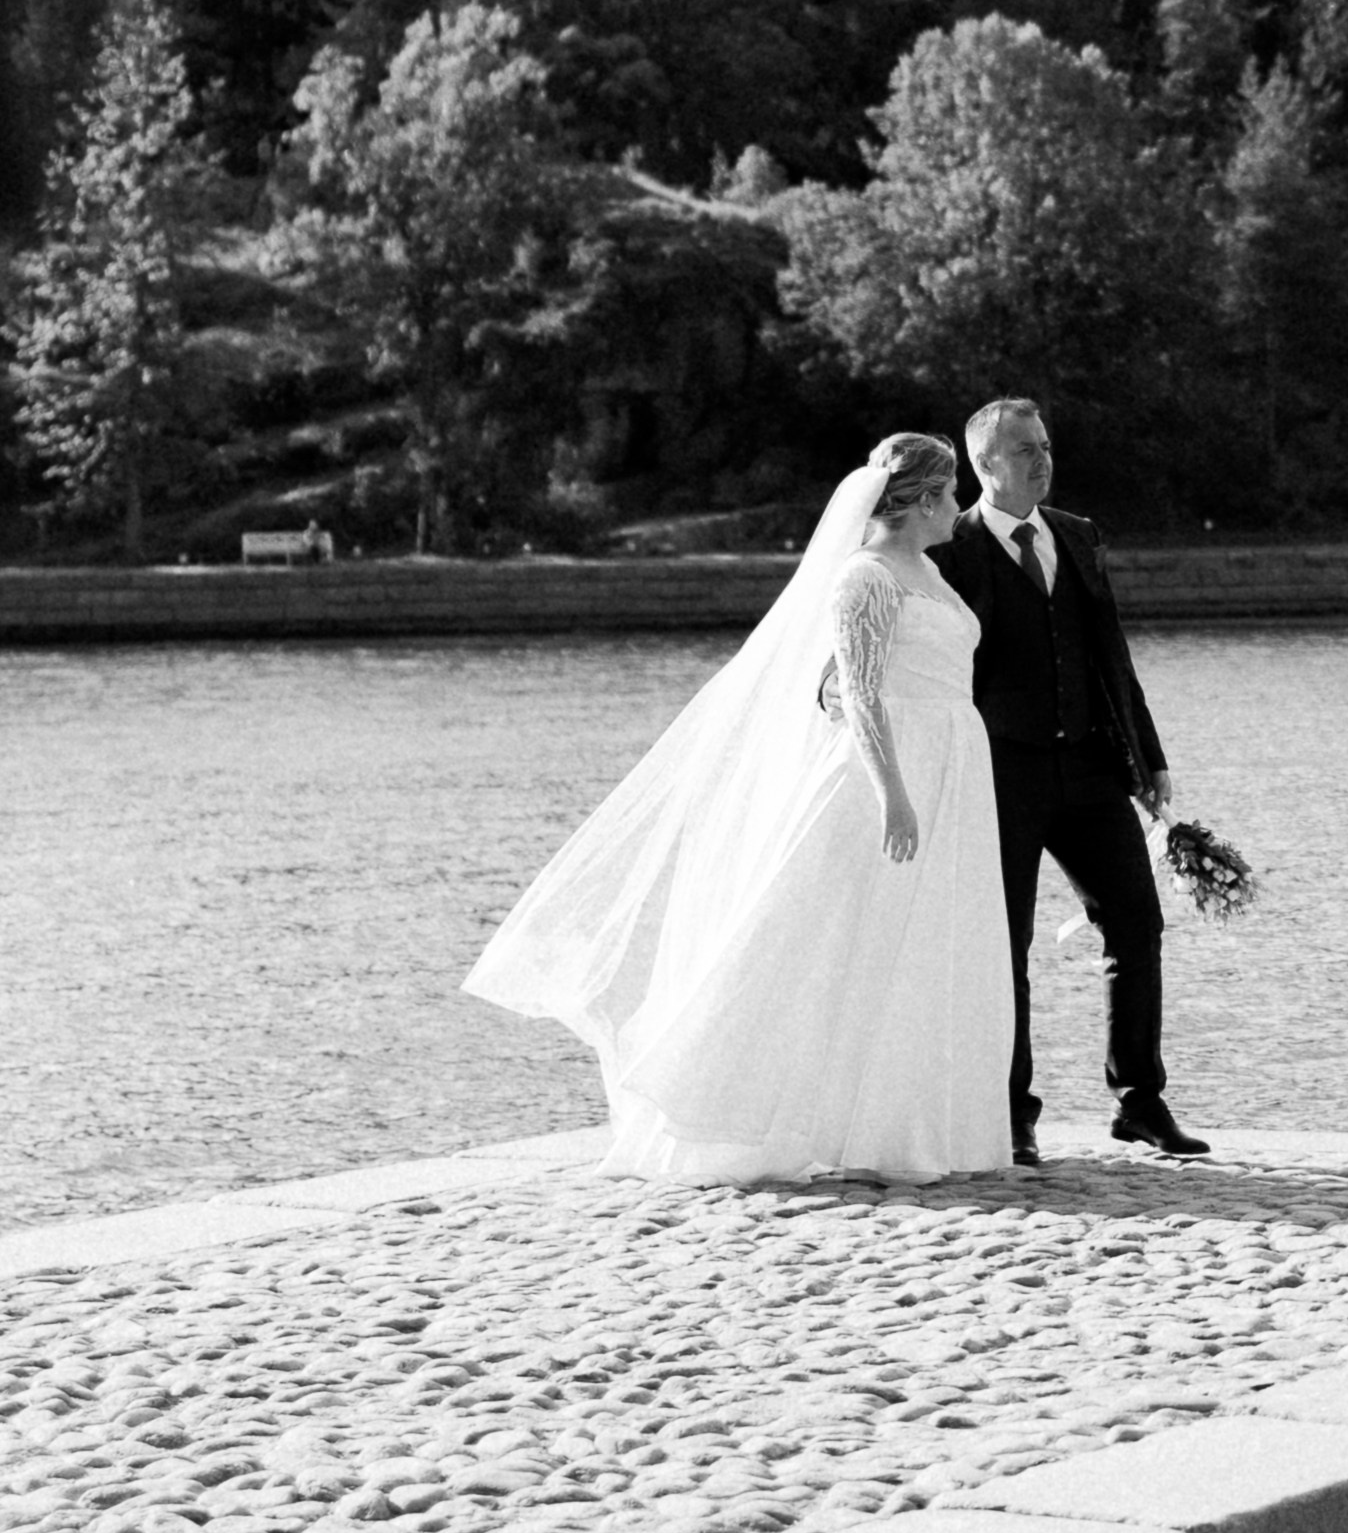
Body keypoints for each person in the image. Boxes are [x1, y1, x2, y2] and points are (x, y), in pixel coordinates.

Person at [462, 433, 1011, 1182]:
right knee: (822, 941)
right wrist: (893, 794)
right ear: (918, 502)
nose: (959, 507)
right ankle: (720, 1098)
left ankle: (896, 1128)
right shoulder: (866, 577)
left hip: (953, 763)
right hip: (888, 777)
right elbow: (857, 691)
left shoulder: (926, 571)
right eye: (949, 495)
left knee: (920, 948)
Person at [938, 396, 1207, 1166]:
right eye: (1024, 450)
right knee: (1005, 945)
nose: (1042, 460)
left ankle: (1140, 1103)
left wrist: (1148, 757)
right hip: (1000, 774)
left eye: (1046, 445)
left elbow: (1110, 654)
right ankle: (1012, 1113)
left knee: (1136, 925)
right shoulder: (949, 551)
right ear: (985, 465)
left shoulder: (1078, 536)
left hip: (1092, 765)